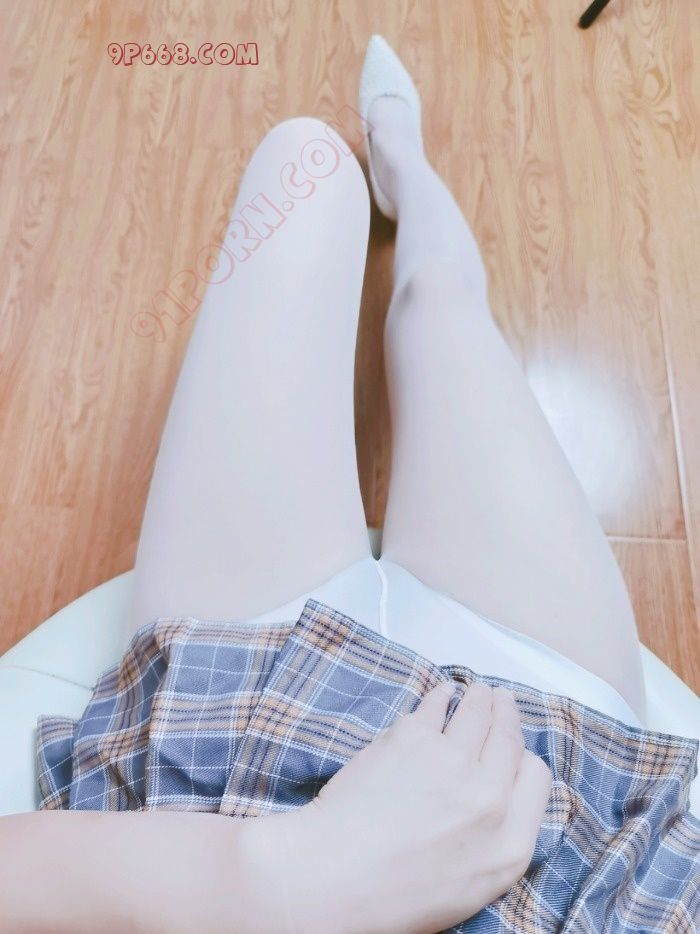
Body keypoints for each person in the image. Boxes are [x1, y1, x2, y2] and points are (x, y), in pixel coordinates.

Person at [2, 36, 697, 934]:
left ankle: (392, 166)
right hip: (554, 788)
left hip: (218, 741)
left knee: (308, 167)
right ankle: (405, 165)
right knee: (441, 304)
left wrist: (279, 885)